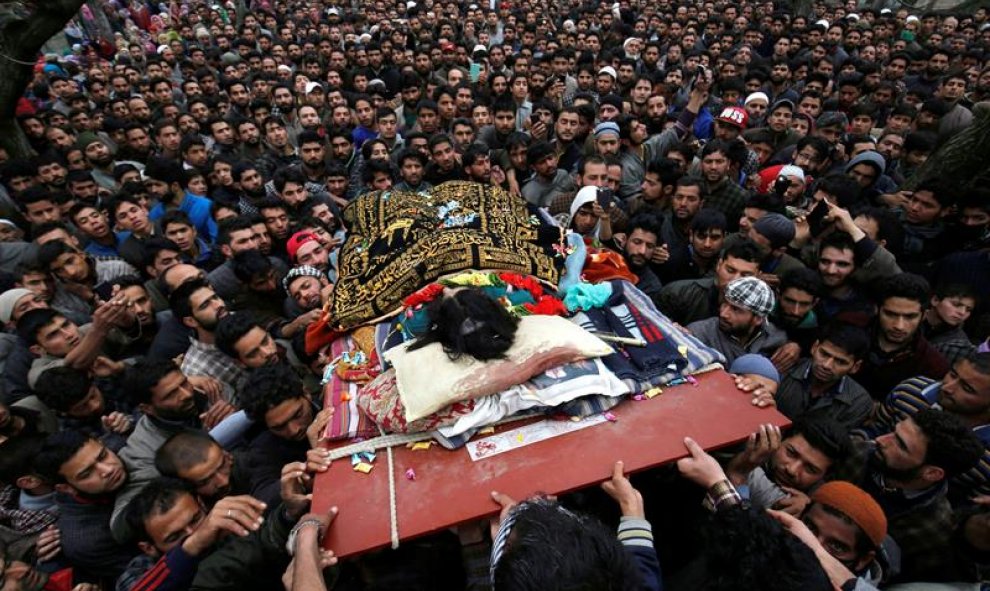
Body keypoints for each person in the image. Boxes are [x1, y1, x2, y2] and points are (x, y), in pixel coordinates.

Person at [833, 410, 984, 582]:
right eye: (894, 432)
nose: (881, 440)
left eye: (901, 445)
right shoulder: (855, 452)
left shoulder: (934, 530)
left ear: (932, 473)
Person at [33, 430, 134, 584]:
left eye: (103, 456)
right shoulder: (88, 540)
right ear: (66, 488)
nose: (108, 470)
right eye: (87, 474)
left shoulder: (120, 443)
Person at [851, 274, 950, 401]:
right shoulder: (849, 326)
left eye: (910, 317)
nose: (899, 326)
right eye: (890, 314)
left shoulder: (932, 365)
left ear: (924, 315)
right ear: (877, 309)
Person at [723, 416, 850, 515]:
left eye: (810, 469)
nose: (792, 470)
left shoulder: (814, 508)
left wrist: (810, 510)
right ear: (780, 438)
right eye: (791, 453)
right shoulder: (747, 448)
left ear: (824, 477)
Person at [774, 323, 873, 430]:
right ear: (814, 347)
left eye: (840, 362)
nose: (827, 365)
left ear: (855, 367)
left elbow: (836, 443)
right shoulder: (784, 370)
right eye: (824, 354)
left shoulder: (858, 401)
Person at [657, 239, 762, 325]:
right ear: (719, 265)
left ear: (757, 277)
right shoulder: (678, 294)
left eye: (746, 275)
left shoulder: (759, 316)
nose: (735, 280)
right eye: (730, 271)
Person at [687, 276, 788, 365]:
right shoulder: (698, 334)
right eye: (725, 303)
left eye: (736, 309)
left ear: (757, 319)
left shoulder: (776, 341)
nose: (723, 314)